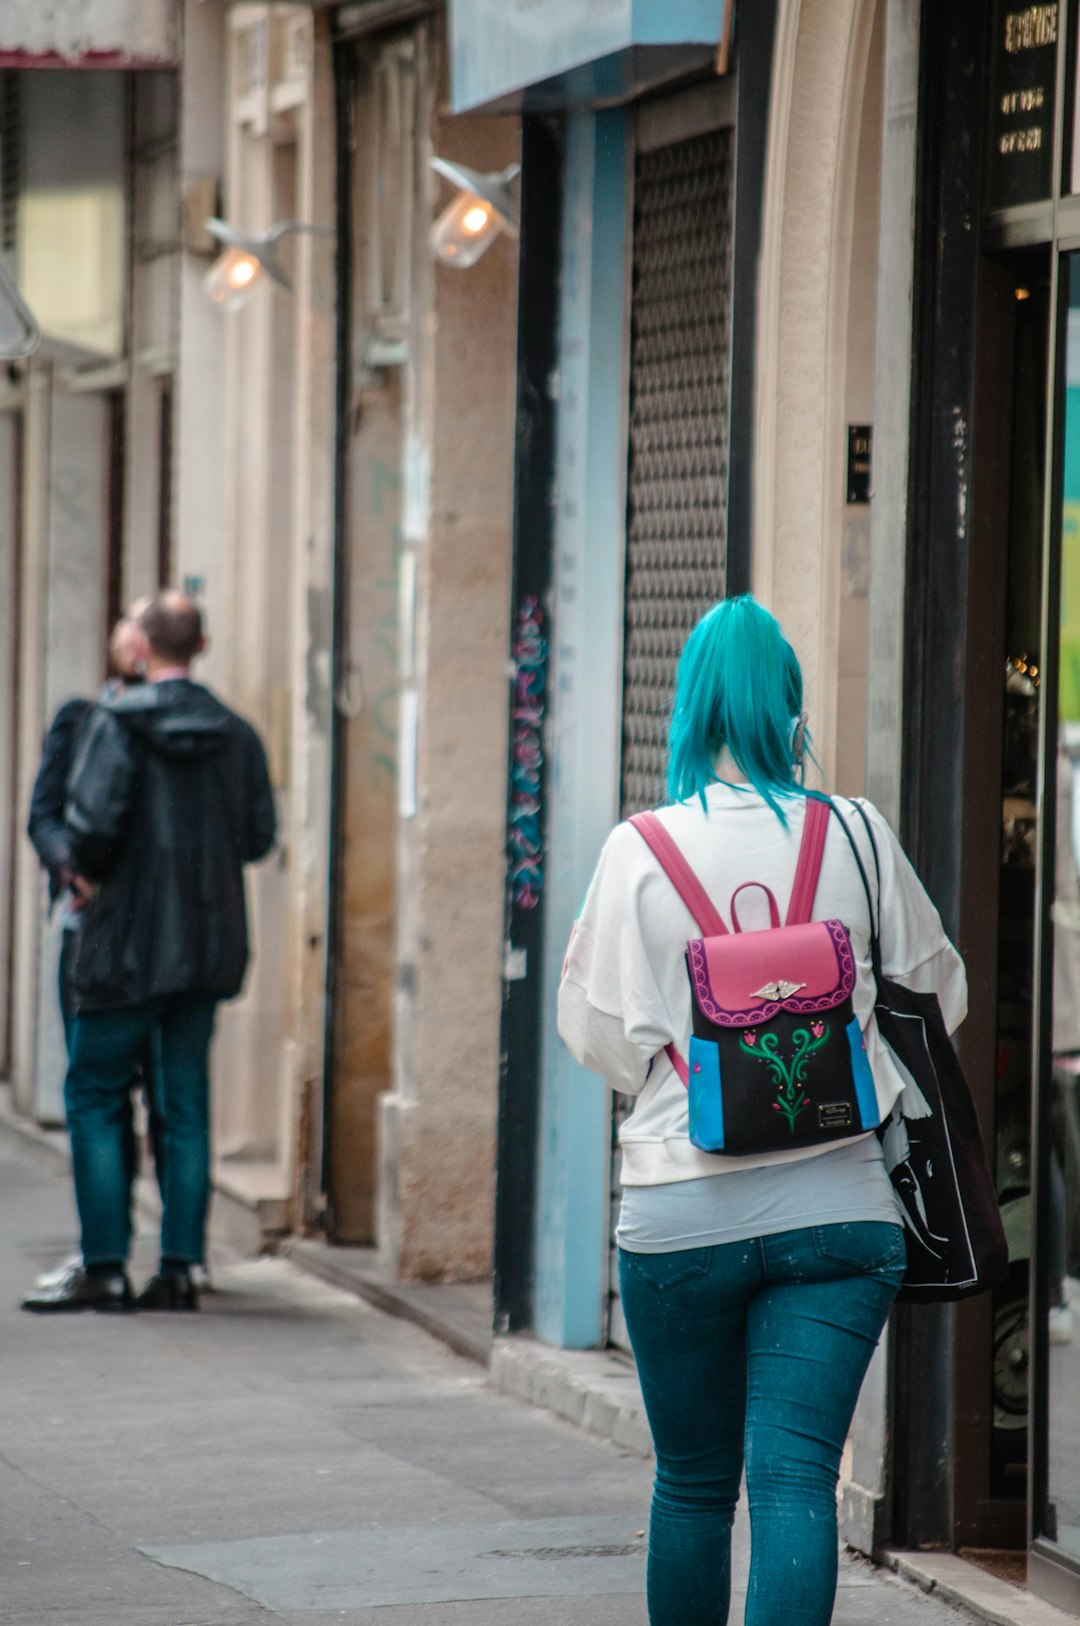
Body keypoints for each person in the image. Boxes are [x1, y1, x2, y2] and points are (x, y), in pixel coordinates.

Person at [558, 595, 967, 1626]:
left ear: (689, 710)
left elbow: (599, 1037)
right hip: (840, 1209)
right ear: (790, 706)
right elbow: (941, 997)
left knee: (693, 1483)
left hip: (676, 1217)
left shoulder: (636, 850)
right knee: (795, 1485)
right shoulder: (858, 833)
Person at [22, 591, 276, 1315]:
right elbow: (258, 837)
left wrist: (87, 877)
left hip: (122, 948)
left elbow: (93, 827)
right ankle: (181, 1268)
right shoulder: (237, 733)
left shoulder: (114, 723)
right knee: (186, 1101)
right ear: (203, 644)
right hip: (204, 947)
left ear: (144, 648)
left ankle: (104, 1266)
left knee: (96, 1097)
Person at [26, 613, 165, 1293]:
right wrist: (70, 869)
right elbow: (43, 814)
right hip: (91, 933)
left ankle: (165, 1259)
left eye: (149, 626)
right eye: (129, 624)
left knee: (163, 1099)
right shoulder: (81, 719)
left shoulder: (186, 725)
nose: (137, 637)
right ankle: (105, 1255)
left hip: (166, 942)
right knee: (99, 1092)